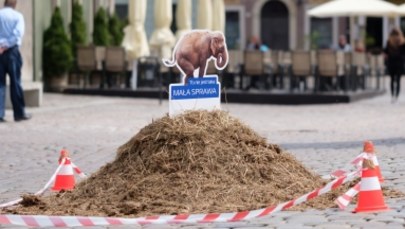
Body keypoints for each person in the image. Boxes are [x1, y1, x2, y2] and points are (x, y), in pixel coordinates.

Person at [0, 0, 31, 122]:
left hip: (0, 52)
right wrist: (6, 45)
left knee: (0, 84)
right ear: (15, 4)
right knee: (16, 82)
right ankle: (19, 113)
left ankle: (0, 114)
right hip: (12, 52)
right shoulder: (18, 16)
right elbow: (17, 35)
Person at [384, 28, 405, 103]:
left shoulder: (389, 41)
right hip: (400, 63)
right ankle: (396, 96)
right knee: (398, 80)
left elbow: (385, 52)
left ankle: (392, 95)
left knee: (392, 80)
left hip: (391, 63)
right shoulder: (402, 42)